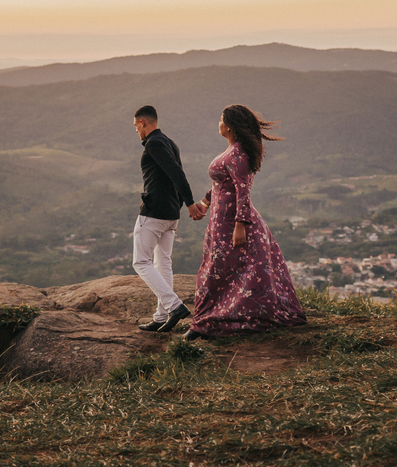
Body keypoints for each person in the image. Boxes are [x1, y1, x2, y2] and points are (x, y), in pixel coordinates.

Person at [185, 104, 306, 340]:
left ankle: (207, 323)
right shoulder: (231, 151)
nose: (218, 123)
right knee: (220, 268)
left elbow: (243, 190)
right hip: (220, 220)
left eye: (220, 119)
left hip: (233, 221)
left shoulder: (238, 154)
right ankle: (209, 318)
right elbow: (220, 185)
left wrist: (240, 224)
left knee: (221, 269)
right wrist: (205, 203)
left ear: (228, 126)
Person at [131, 105, 205, 333]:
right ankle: (161, 316)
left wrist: (191, 203)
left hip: (154, 212)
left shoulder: (154, 143)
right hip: (171, 213)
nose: (136, 131)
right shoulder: (169, 142)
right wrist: (182, 207)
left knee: (140, 262)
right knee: (162, 262)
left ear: (143, 122)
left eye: (136, 126)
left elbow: (176, 173)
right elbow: (176, 173)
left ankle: (174, 307)